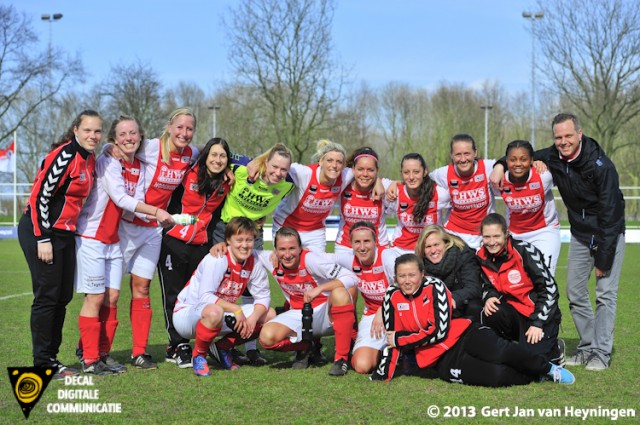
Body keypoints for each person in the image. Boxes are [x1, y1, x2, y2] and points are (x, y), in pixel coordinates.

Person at [491, 113, 625, 371]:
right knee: (575, 292)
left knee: (605, 294)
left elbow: (611, 214)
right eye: (558, 137)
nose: (563, 142)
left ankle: (601, 352)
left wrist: (604, 257)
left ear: (579, 134)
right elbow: (521, 155)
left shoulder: (602, 166)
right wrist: (499, 165)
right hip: (580, 234)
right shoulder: (552, 155)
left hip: (608, 232)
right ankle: (586, 348)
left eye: (568, 136)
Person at [370, 254, 575, 386]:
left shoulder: (435, 287)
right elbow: (391, 338)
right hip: (439, 360)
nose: (407, 281)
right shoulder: (391, 297)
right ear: (395, 277)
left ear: (422, 274)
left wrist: (401, 339)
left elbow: (438, 331)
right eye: (402, 276)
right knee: (495, 376)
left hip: (462, 335)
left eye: (412, 275)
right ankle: (534, 374)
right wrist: (382, 374)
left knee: (500, 351)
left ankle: (548, 368)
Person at [74, 115, 174, 375]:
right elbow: (120, 198)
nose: (129, 138)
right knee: (96, 297)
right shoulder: (108, 161)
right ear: (113, 139)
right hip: (93, 236)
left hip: (113, 240)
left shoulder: (138, 165)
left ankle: (101, 355)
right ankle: (89, 357)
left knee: (113, 296)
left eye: (133, 133)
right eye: (122, 134)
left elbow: (135, 200)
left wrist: (156, 221)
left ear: (140, 136)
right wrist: (156, 212)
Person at [18, 110, 102, 379]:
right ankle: (42, 362)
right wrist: (42, 237)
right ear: (76, 129)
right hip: (42, 232)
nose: (93, 135)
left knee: (63, 297)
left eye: (97, 131)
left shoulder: (90, 160)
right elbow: (40, 197)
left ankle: (52, 359)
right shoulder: (64, 155)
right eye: (87, 130)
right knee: (47, 296)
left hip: (66, 235)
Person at [117, 107, 199, 369]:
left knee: (141, 288)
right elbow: (121, 147)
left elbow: (218, 156)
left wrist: (241, 165)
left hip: (152, 230)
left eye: (189, 129)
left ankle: (139, 352)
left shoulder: (192, 154)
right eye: (180, 127)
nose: (184, 133)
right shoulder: (150, 147)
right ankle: (90, 347)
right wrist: (110, 149)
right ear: (169, 126)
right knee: (108, 293)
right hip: (124, 226)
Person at [211, 143, 295, 365]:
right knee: (219, 288)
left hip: (253, 236)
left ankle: (248, 348)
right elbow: (216, 152)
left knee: (252, 289)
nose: (278, 173)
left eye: (283, 170)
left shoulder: (288, 185)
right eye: (274, 166)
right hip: (225, 232)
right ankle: (209, 343)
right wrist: (229, 167)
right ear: (266, 162)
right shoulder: (242, 169)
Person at [157, 137, 231, 369]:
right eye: (214, 155)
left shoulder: (226, 183)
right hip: (173, 241)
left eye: (223, 156)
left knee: (197, 296)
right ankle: (177, 345)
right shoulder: (187, 173)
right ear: (205, 156)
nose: (217, 160)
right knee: (173, 294)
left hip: (201, 245)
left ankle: (200, 339)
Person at [173, 217, 274, 377]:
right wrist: (236, 309)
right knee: (214, 311)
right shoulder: (218, 258)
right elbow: (205, 297)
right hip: (187, 315)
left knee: (268, 315)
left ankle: (223, 347)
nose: (244, 245)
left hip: (217, 313)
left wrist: (253, 318)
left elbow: (263, 298)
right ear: (228, 240)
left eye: (249, 240)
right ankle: (199, 355)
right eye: (239, 240)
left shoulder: (253, 262)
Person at [257, 227, 358, 376]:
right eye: (282, 249)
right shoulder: (270, 259)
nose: (287, 254)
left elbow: (351, 277)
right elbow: (244, 251)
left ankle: (342, 357)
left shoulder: (310, 259)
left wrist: (320, 289)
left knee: (342, 292)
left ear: (300, 249)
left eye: (292, 248)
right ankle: (305, 345)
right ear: (275, 251)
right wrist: (221, 247)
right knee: (266, 338)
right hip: (298, 314)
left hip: (325, 314)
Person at [477, 213, 564, 364]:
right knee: (491, 311)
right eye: (487, 237)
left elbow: (549, 289)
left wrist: (538, 323)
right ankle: (509, 346)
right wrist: (489, 296)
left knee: (533, 365)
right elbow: (486, 284)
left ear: (506, 234)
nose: (491, 242)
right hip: (514, 314)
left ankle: (555, 351)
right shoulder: (481, 256)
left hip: (538, 315)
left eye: (496, 236)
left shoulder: (525, 252)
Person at [332, 221, 395, 374]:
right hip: (372, 316)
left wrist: (383, 308)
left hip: (398, 311)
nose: (362, 247)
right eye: (357, 242)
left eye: (367, 241)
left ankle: (400, 351)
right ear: (351, 244)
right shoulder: (348, 259)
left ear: (376, 242)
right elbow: (319, 259)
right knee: (361, 365)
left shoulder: (387, 256)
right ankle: (388, 352)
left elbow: (406, 287)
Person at [272, 139, 351, 252]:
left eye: (339, 162)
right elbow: (276, 165)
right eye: (329, 160)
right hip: (287, 225)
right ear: (320, 161)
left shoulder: (345, 176)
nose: (334, 165)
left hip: (315, 232)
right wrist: (255, 165)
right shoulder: (304, 173)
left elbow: (365, 169)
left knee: (315, 267)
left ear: (343, 165)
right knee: (287, 264)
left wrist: (378, 183)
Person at [499, 140, 560, 275]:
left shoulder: (544, 176)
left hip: (544, 232)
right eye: (512, 160)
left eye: (524, 159)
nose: (518, 164)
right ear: (506, 161)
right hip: (515, 235)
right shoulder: (499, 180)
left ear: (532, 160)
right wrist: (497, 168)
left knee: (544, 278)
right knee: (517, 279)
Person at [430, 134, 496, 249]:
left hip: (484, 234)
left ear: (475, 153)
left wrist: (500, 168)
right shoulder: (443, 173)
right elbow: (420, 180)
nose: (463, 159)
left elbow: (510, 161)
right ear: (451, 155)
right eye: (458, 155)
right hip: (455, 234)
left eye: (467, 154)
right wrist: (396, 184)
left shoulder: (487, 167)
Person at [414, 224, 482, 319]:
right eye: (428, 247)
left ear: (445, 243)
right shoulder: (420, 265)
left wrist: (452, 298)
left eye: (436, 244)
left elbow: (473, 288)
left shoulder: (463, 255)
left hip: (463, 307)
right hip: (436, 312)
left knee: (474, 307)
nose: (433, 250)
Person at [334, 147, 393, 256]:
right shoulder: (343, 183)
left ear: (377, 171)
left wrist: (383, 182)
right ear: (353, 169)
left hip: (378, 248)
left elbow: (410, 182)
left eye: (370, 170)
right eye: (360, 169)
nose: (365, 174)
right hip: (345, 248)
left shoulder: (384, 185)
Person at [388, 153, 450, 255]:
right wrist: (387, 182)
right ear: (401, 173)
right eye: (406, 172)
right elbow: (372, 183)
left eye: (416, 172)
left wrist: (446, 229)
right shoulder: (395, 193)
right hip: (401, 250)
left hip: (431, 251)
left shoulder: (439, 193)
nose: (411, 177)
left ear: (424, 172)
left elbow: (458, 203)